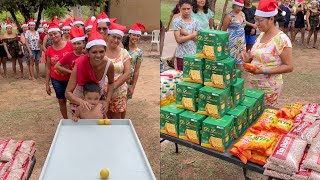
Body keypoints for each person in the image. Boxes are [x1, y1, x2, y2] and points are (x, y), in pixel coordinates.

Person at [242, 0, 293, 106]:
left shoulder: (281, 39)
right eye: (256, 20)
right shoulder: (261, 35)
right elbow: (257, 57)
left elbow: (289, 66)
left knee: (265, 117)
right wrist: (248, 60)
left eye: (260, 20)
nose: (257, 24)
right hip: (254, 85)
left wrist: (264, 71)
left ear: (271, 19)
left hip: (269, 88)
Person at [65, 27, 114, 117]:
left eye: (101, 51)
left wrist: (107, 101)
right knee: (80, 126)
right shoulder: (79, 64)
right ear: (87, 52)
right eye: (94, 52)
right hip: (78, 100)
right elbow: (68, 93)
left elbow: (111, 83)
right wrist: (81, 102)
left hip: (97, 99)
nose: (98, 55)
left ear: (105, 51)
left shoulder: (109, 65)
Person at [45, 23, 74, 119]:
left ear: (60, 33)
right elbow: (48, 67)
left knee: (73, 100)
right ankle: (66, 120)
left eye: (55, 33)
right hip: (56, 79)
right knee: (61, 100)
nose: (53, 36)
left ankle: (75, 118)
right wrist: (47, 84)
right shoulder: (49, 50)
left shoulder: (70, 45)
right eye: (51, 35)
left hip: (71, 78)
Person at [105, 23, 131, 119]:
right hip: (102, 92)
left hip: (119, 91)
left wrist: (113, 87)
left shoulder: (124, 52)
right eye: (113, 37)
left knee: (116, 121)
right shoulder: (101, 51)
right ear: (108, 36)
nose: (116, 40)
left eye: (119, 38)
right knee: (103, 118)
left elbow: (127, 73)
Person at [122, 23, 145, 117]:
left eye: (138, 36)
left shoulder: (139, 52)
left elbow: (136, 71)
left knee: (124, 104)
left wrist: (133, 86)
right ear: (130, 35)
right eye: (134, 35)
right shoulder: (122, 48)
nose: (136, 37)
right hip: (118, 77)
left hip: (128, 80)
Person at [222, 0, 252, 69]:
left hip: (241, 40)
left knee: (240, 58)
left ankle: (238, 74)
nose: (240, 8)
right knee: (232, 58)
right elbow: (223, 30)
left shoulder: (242, 14)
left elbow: (244, 22)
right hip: (232, 40)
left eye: (241, 7)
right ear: (234, 5)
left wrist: (252, 25)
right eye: (238, 6)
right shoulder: (229, 16)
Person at [173, 0, 200, 71]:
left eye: (188, 9)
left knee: (194, 76)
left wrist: (185, 33)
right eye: (184, 9)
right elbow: (178, 40)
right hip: (182, 55)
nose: (186, 11)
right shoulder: (177, 21)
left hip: (194, 54)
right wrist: (193, 35)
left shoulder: (195, 22)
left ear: (191, 8)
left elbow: (198, 40)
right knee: (182, 76)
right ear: (179, 8)